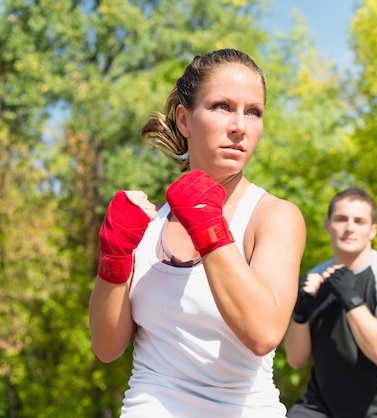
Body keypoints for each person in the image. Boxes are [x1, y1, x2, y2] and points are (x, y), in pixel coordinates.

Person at [89, 48, 306, 417]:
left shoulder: (273, 217)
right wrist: (114, 258)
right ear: (184, 120)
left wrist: (208, 226)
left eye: (253, 112)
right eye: (222, 106)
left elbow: (263, 333)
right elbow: (107, 347)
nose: (239, 125)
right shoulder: (146, 222)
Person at [283, 188, 377, 418]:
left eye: (359, 221)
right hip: (321, 408)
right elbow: (296, 360)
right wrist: (300, 312)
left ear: (373, 231)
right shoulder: (316, 277)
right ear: (327, 225)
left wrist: (351, 300)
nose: (349, 227)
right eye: (341, 219)